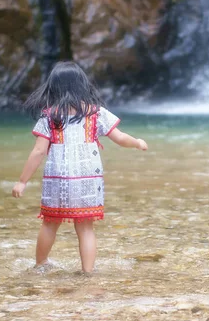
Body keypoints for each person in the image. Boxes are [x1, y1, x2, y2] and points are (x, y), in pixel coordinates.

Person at [11, 61, 148, 273]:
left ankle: (40, 264)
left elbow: (38, 152)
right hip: (87, 179)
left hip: (59, 179)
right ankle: (87, 272)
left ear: (53, 87)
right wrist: (137, 142)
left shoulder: (50, 116)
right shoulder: (96, 113)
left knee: (49, 223)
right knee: (85, 227)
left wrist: (22, 181)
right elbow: (119, 137)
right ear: (83, 85)